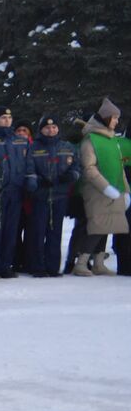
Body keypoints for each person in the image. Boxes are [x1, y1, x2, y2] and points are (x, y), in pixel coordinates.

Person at [72, 98, 127, 277]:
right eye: (114, 118)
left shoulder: (111, 139)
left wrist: (126, 191)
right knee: (97, 226)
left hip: (113, 189)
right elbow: (89, 168)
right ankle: (81, 263)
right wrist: (105, 187)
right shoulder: (91, 140)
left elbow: (120, 167)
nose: (117, 121)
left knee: (108, 226)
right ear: (105, 118)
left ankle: (98, 262)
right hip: (97, 190)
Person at [0, 105, 34, 279]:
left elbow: (28, 165)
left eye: (9, 118)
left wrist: (29, 182)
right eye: (3, 118)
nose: (7, 121)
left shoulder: (20, 141)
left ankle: (6, 265)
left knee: (11, 231)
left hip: (15, 191)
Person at [25, 115, 81, 278]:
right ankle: (37, 266)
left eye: (54, 127)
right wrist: (38, 181)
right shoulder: (33, 147)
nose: (51, 130)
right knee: (38, 232)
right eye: (47, 128)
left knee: (55, 232)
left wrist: (71, 176)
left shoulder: (67, 147)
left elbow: (77, 167)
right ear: (41, 130)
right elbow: (29, 169)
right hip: (40, 196)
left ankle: (53, 266)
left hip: (59, 195)